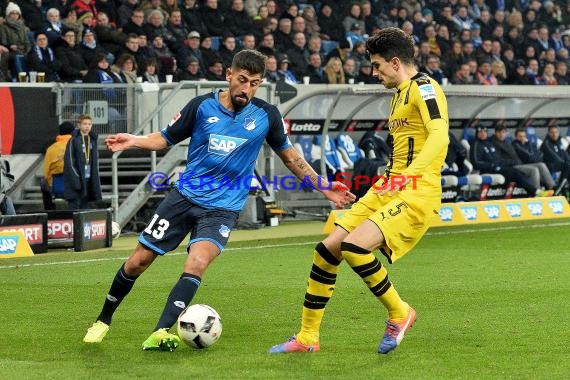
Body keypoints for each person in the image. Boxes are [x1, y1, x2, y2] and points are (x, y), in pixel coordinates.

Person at [82, 50, 355, 350]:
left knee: (197, 262)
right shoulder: (201, 106)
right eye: (241, 80)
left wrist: (324, 187)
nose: (246, 89)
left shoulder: (267, 116)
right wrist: (134, 140)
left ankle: (160, 331)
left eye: (254, 83)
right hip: (183, 199)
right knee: (137, 262)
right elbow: (165, 138)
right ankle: (103, 319)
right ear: (228, 75)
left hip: (222, 209)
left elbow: (292, 159)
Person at [269, 27, 450, 355]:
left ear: (396, 63)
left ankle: (400, 312)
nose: (374, 73)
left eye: (378, 66)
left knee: (354, 246)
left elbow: (439, 137)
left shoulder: (425, 89)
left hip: (415, 190)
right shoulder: (399, 95)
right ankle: (307, 337)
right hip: (389, 186)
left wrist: (408, 177)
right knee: (327, 251)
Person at [63, 114, 102, 210]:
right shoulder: (73, 140)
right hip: (77, 183)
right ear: (79, 125)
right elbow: (70, 162)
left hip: (88, 181)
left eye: (89, 124)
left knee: (85, 211)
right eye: (85, 124)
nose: (87, 126)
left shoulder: (92, 140)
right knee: (75, 211)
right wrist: (77, 181)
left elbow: (94, 163)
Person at [42, 122, 75, 210]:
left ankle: (50, 213)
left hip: (58, 189)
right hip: (76, 189)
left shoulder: (51, 149)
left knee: (43, 183)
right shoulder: (78, 146)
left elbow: (46, 173)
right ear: (72, 133)